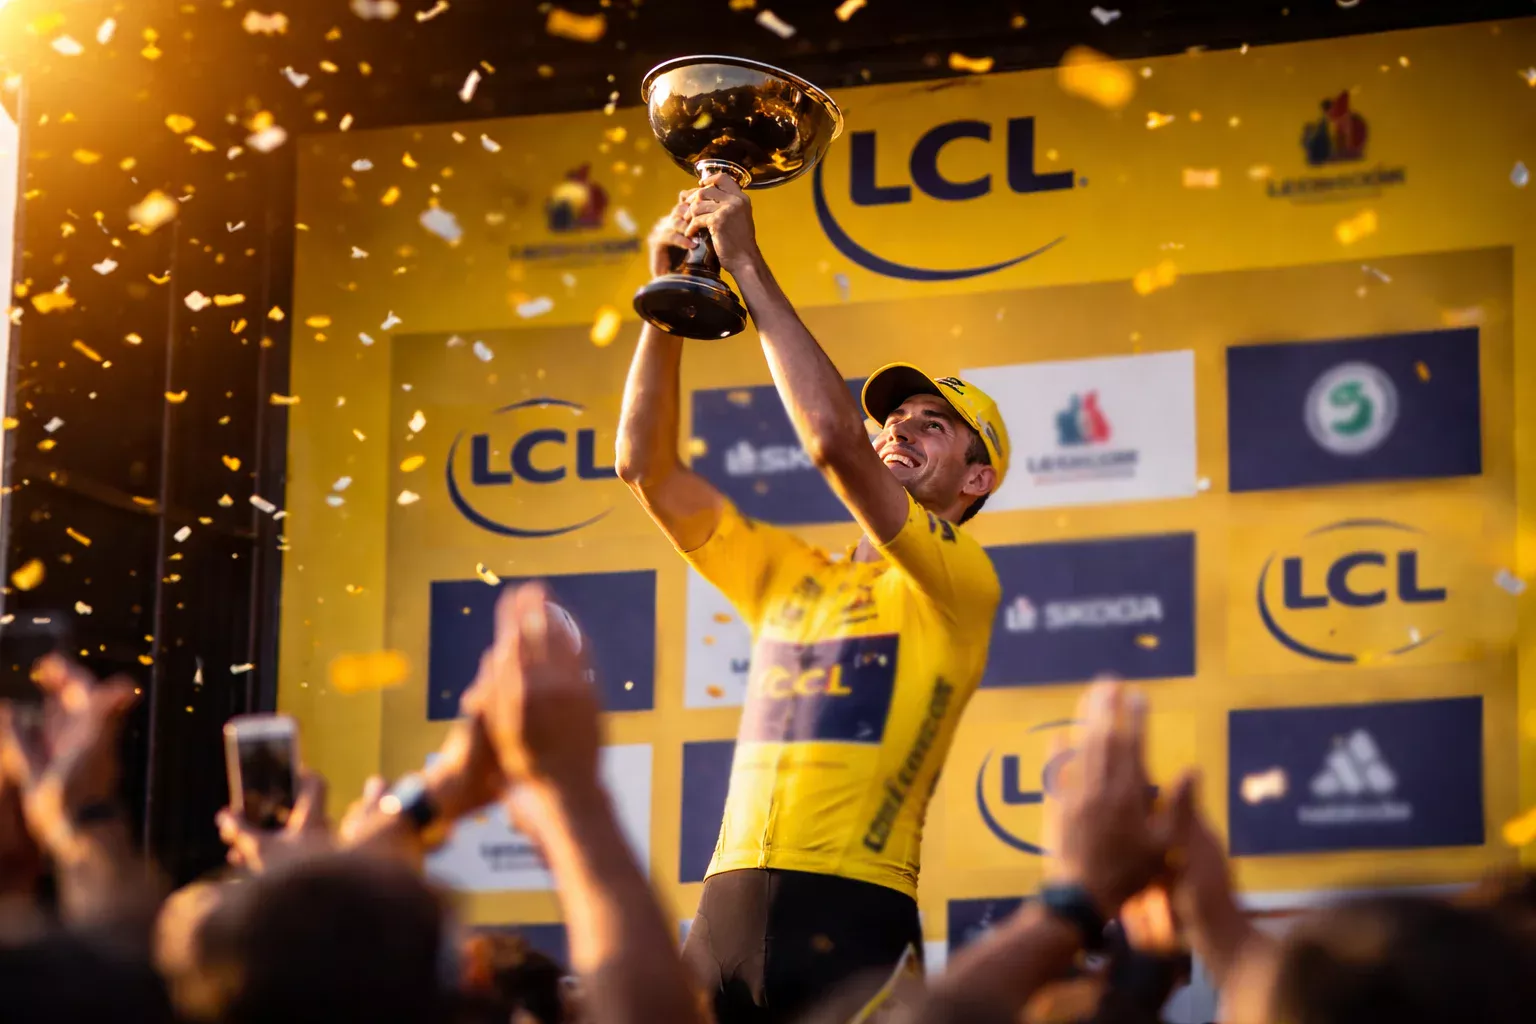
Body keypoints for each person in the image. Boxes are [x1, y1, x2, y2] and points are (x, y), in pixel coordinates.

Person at [616, 173, 1011, 1023]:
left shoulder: (962, 582)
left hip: (854, 920)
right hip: (721, 912)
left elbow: (834, 441)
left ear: (975, 480)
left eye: (932, 424)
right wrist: (666, 309)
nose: (898, 427)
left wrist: (748, 265)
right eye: (893, 420)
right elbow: (645, 470)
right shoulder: (795, 576)